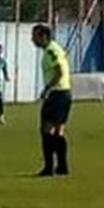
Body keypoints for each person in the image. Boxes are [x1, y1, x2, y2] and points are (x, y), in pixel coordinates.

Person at [32, 25, 72, 176]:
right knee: (58, 132)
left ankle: (49, 168)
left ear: (43, 36)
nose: (33, 40)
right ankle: (62, 167)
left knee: (46, 130)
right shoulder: (56, 48)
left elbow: (59, 72)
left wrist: (47, 88)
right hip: (65, 93)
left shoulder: (50, 51)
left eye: (35, 36)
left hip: (56, 94)